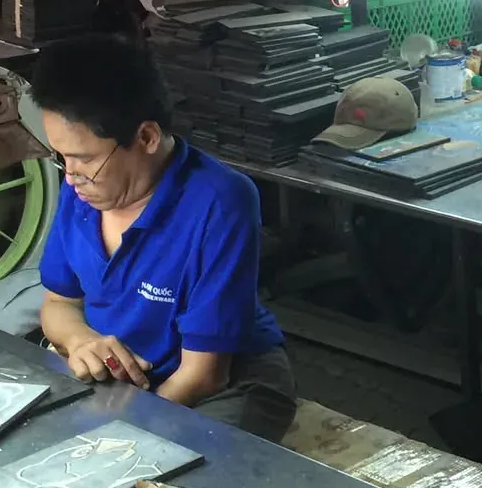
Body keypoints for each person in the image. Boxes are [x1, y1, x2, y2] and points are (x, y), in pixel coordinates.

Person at [31, 35, 296, 440]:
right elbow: (58, 303)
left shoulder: (221, 201)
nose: (69, 176)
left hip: (216, 381)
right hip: (122, 372)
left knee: (183, 471)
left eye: (83, 159)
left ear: (147, 138)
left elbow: (203, 375)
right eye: (61, 157)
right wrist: (82, 340)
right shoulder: (83, 187)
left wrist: (128, 431)